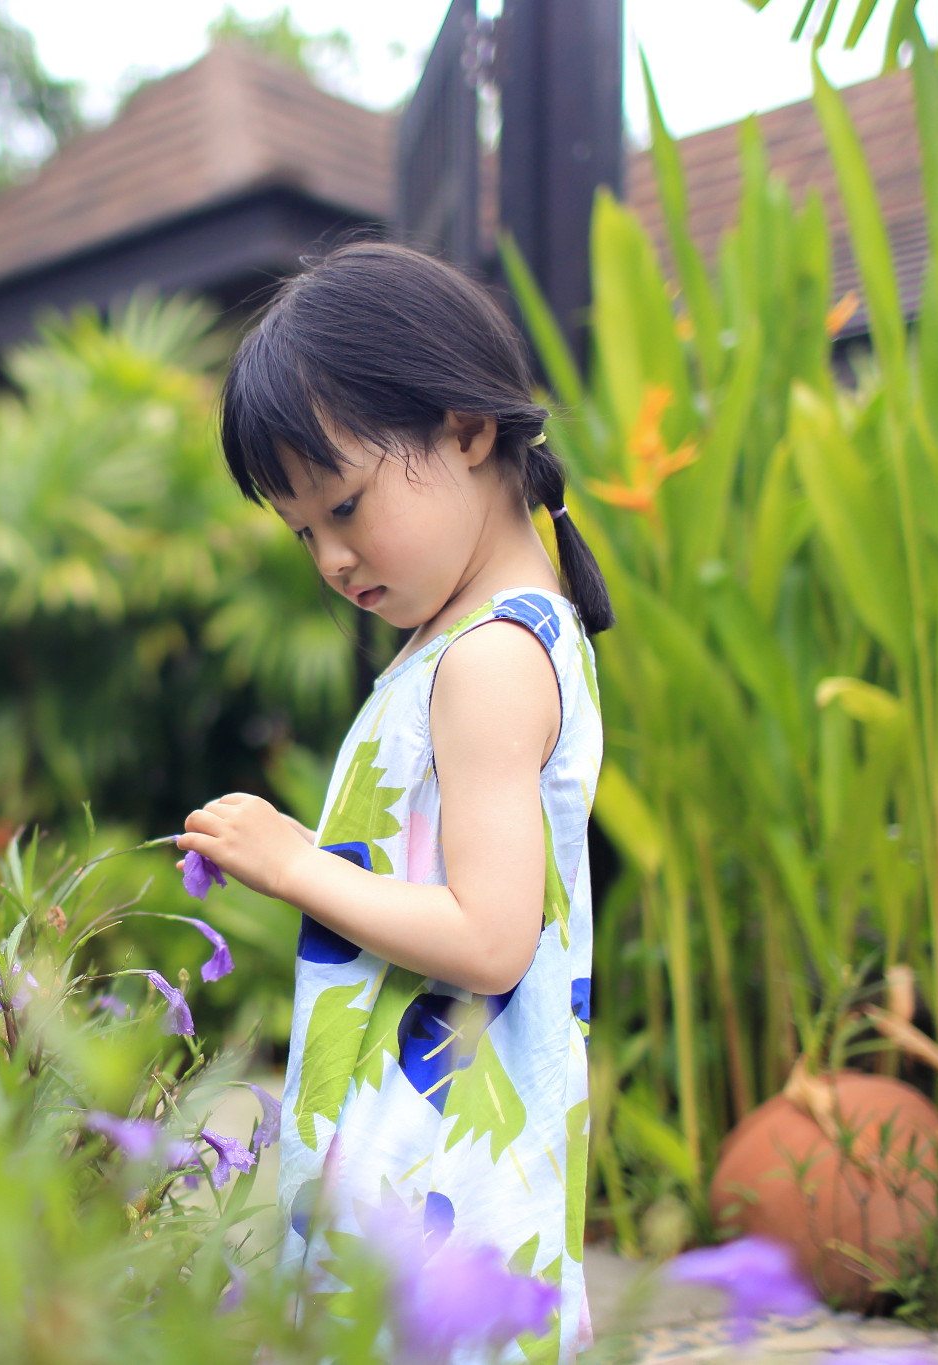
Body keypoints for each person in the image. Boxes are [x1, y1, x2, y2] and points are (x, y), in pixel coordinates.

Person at [177, 242, 612, 1363]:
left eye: (346, 505)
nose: (329, 557)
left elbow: (485, 938)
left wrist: (293, 862)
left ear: (465, 430)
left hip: (444, 1199)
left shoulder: (490, 660)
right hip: (409, 1169)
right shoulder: (455, 647)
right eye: (303, 532)